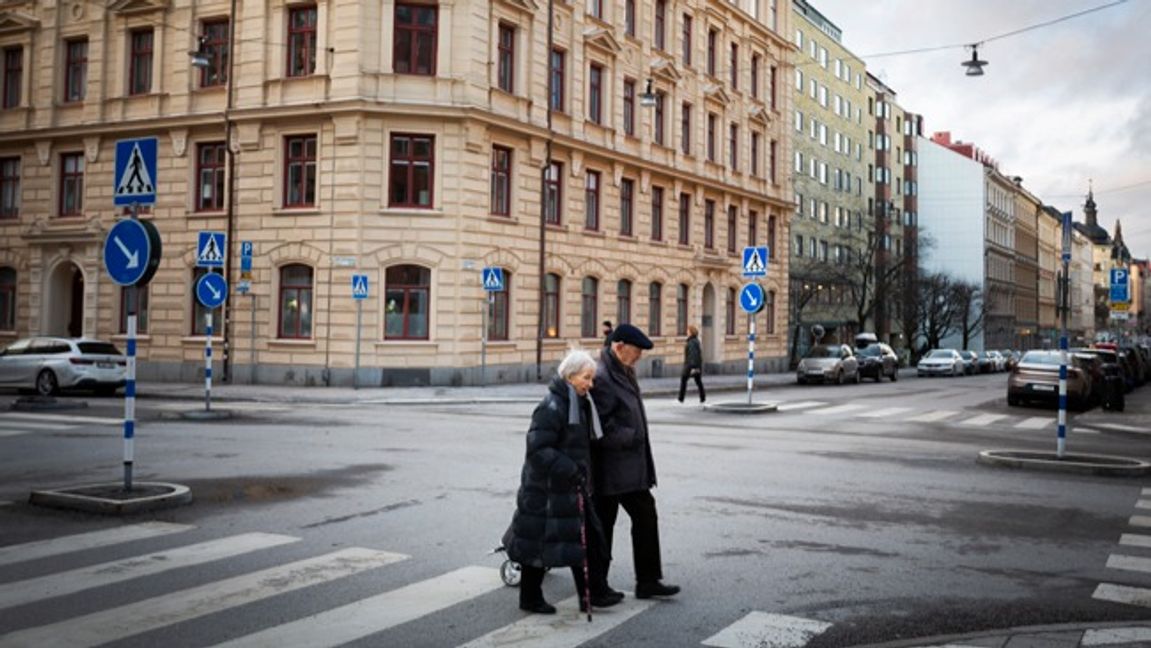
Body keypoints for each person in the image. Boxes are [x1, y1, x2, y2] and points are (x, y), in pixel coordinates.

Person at [503, 349, 624, 614]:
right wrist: (570, 468)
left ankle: (591, 594)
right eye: (586, 378)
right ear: (570, 376)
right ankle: (531, 598)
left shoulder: (578, 402)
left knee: (586, 540)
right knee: (539, 546)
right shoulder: (552, 405)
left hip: (569, 488)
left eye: (591, 378)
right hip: (545, 492)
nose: (590, 384)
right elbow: (537, 449)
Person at [591, 323, 680, 600]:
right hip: (612, 468)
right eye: (636, 351)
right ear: (619, 347)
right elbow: (598, 428)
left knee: (639, 516)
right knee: (605, 524)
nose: (640, 356)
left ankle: (646, 580)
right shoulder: (604, 376)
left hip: (627, 467)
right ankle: (598, 586)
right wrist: (629, 436)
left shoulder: (622, 370)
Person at [677, 325, 705, 403]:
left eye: (688, 331)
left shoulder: (692, 342)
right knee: (698, 381)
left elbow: (693, 355)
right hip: (695, 365)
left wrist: (693, 367)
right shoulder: (695, 341)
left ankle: (681, 398)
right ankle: (702, 397)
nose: (687, 332)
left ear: (691, 332)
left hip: (690, 365)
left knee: (683, 380)